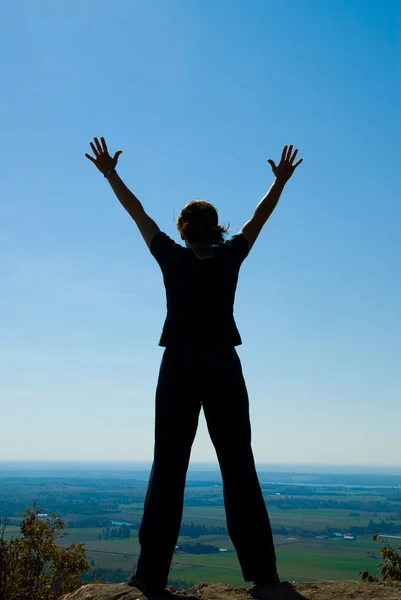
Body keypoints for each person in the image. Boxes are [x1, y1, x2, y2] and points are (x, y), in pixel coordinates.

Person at [85, 138, 303, 593]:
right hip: (224, 364)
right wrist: (278, 182)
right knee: (239, 466)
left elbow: (138, 213)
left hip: (180, 366)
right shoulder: (230, 258)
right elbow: (258, 219)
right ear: (216, 228)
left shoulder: (171, 257)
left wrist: (110, 174)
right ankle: (265, 575)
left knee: (168, 467)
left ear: (183, 229)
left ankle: (150, 575)